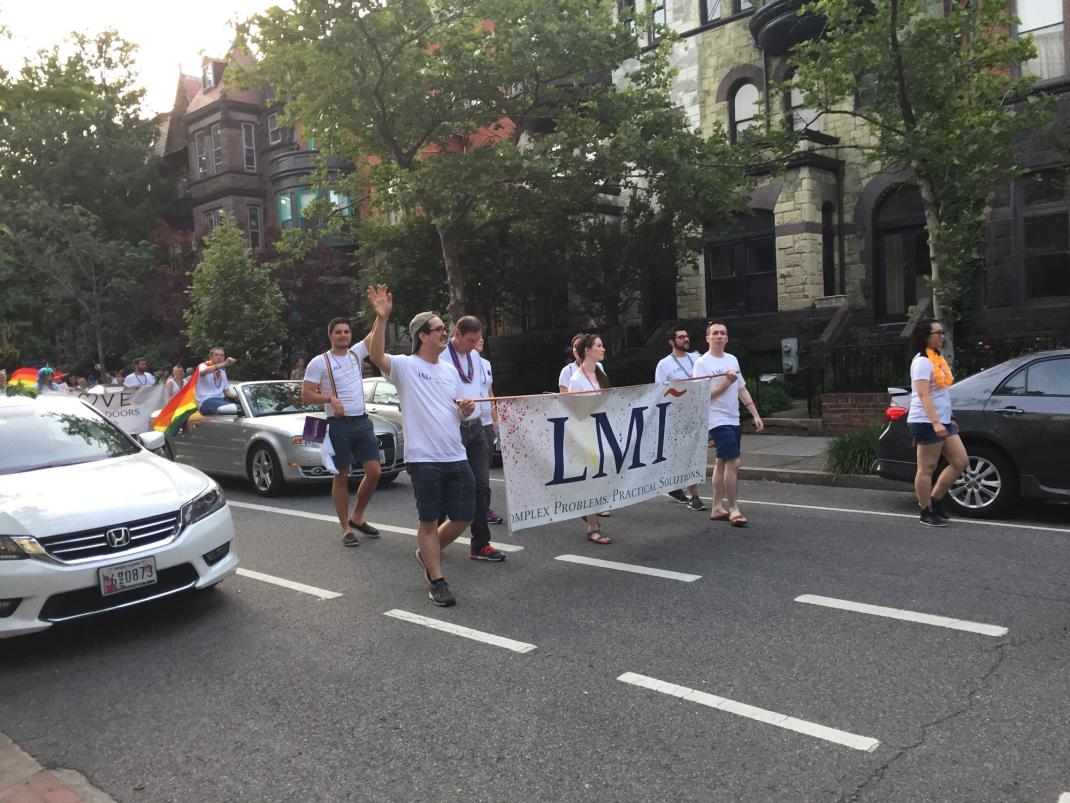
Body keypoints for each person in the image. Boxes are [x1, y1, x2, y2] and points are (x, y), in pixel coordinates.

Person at [366, 285, 477, 608]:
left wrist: (464, 410)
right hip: (423, 458)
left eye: (445, 328)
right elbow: (375, 355)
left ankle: (426, 555)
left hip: (455, 453)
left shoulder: (448, 370)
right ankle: (436, 579)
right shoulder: (405, 366)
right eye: (439, 329)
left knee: (464, 516)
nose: (445, 333)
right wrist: (382, 318)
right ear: (422, 336)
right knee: (428, 520)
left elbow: (453, 409)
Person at [301, 318, 383, 547]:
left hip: (362, 421)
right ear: (331, 335)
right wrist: (329, 398)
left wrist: (381, 315)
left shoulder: (356, 354)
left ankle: (357, 516)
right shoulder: (319, 362)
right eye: (338, 332)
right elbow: (307, 393)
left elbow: (374, 334)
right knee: (341, 475)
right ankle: (345, 528)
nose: (343, 336)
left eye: (346, 332)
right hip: (338, 424)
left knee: (374, 471)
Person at [693, 322, 764, 527]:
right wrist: (726, 383)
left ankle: (716, 507)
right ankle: (734, 509)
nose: (719, 337)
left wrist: (755, 414)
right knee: (734, 462)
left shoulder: (732, 359)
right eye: (715, 333)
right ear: (707, 338)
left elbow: (742, 389)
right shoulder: (702, 363)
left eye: (723, 333)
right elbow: (700, 397)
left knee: (722, 462)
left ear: (727, 338)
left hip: (733, 418)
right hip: (716, 419)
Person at [446, 317, 505, 562]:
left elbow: (485, 391)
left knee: (482, 485)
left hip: (478, 429)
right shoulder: (441, 356)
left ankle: (480, 544)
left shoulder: (477, 359)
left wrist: (491, 419)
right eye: (469, 340)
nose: (473, 345)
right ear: (457, 333)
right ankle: (434, 539)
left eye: (476, 340)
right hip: (452, 429)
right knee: (447, 486)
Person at [908, 320, 968, 527]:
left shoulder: (937, 358)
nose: (941, 336)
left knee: (961, 462)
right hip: (926, 420)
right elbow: (924, 395)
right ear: (925, 336)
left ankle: (935, 499)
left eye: (943, 332)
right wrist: (935, 423)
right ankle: (926, 510)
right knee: (927, 468)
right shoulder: (922, 362)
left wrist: (948, 419)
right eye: (937, 333)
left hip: (942, 420)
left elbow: (940, 393)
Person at [567, 333, 614, 545]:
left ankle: (587, 513)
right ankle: (592, 526)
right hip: (586, 435)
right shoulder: (576, 380)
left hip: (602, 432)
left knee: (600, 479)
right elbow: (574, 413)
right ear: (587, 350)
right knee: (592, 480)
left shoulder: (600, 373)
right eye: (599, 346)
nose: (603, 349)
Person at [654, 324, 706, 512]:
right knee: (689, 454)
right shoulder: (664, 364)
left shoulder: (696, 358)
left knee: (688, 454)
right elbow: (660, 392)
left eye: (686, 336)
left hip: (697, 412)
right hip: (677, 416)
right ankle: (694, 496)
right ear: (671, 342)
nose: (686, 340)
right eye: (681, 337)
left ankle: (675, 486)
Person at [475, 335, 504, 525]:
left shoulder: (486, 363)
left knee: (484, 471)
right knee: (470, 472)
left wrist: (495, 418)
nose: (481, 339)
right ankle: (471, 508)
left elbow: (490, 392)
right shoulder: (457, 365)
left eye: (482, 336)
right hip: (469, 423)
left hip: (486, 424)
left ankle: (484, 508)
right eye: (476, 337)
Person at [195, 347, 238, 414]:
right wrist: (224, 364)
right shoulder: (203, 365)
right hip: (206, 402)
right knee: (237, 409)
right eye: (216, 355)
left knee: (243, 405)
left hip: (220, 400)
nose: (219, 357)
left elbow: (227, 392)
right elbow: (202, 372)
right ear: (211, 357)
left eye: (221, 355)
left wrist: (238, 397)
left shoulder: (222, 371)